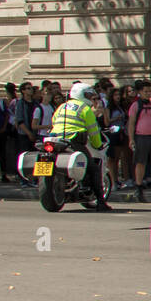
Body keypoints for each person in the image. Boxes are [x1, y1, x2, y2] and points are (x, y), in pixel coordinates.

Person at [50, 81, 111, 210]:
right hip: (73, 141)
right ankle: (101, 202)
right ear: (81, 95)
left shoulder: (62, 106)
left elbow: (54, 121)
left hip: (55, 139)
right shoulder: (85, 109)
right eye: (88, 95)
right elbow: (93, 131)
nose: (90, 98)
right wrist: (98, 145)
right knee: (93, 168)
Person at [127, 79, 151, 196]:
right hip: (141, 136)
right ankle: (138, 186)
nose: (148, 94)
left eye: (150, 91)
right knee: (140, 162)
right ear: (140, 92)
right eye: (145, 91)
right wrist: (131, 138)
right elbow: (131, 123)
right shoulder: (136, 105)